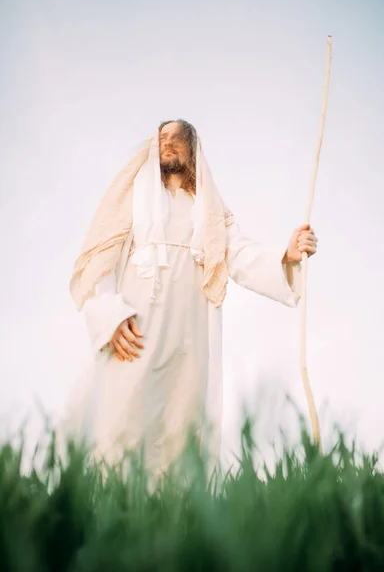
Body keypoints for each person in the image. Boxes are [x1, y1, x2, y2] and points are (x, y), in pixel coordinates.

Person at [67, 119, 317, 474]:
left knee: (180, 422)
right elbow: (99, 262)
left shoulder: (208, 210)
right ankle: (110, 511)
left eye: (179, 137)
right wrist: (110, 315)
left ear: (195, 150)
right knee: (121, 414)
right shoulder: (133, 196)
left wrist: (287, 253)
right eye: (162, 137)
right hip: (134, 326)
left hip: (189, 333)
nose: (169, 143)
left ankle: (176, 516)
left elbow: (239, 253)